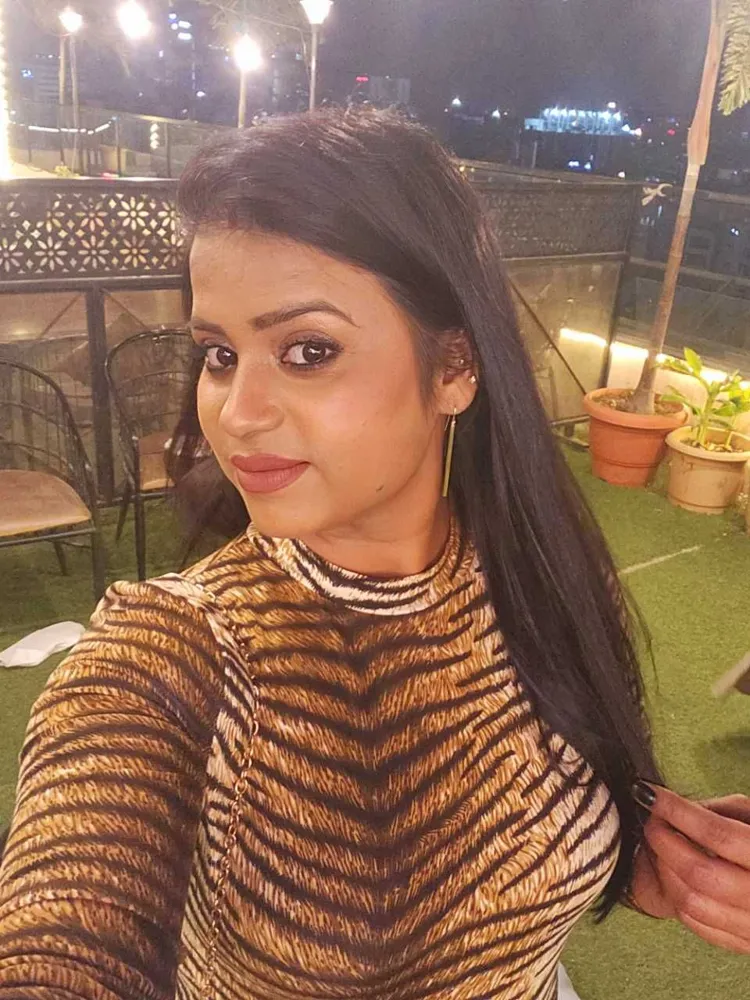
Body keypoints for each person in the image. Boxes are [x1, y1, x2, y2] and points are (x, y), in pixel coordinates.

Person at [0, 109, 748, 1000]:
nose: (237, 412)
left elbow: (551, 813)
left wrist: (641, 863)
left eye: (307, 351)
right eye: (219, 354)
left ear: (455, 367)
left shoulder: (536, 573)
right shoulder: (173, 654)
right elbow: (66, 930)